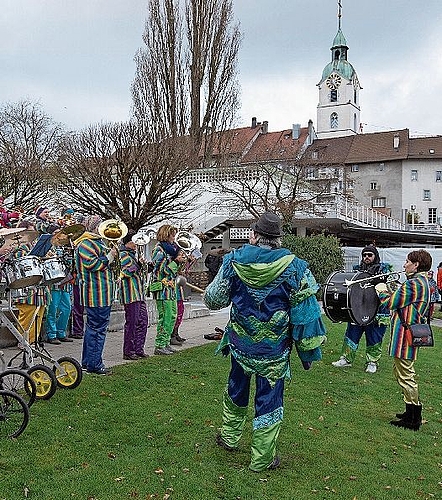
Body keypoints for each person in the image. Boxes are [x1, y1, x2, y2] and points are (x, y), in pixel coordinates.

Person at [203, 211, 326, 472]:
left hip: (240, 345)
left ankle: (229, 437)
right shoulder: (297, 267)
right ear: (278, 238)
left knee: (236, 390)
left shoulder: (233, 261)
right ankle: (261, 459)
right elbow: (306, 314)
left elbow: (213, 300)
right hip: (274, 352)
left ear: (255, 235)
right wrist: (308, 353)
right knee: (269, 398)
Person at [375, 249, 432, 431]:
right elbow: (403, 301)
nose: (404, 265)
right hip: (408, 333)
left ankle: (414, 418)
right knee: (402, 372)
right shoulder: (422, 282)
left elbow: (391, 303)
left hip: (404, 336)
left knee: (406, 375)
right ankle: (410, 411)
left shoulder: (414, 284)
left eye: (408, 261)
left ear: (416, 265)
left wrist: (381, 290)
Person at [332, 245, 392, 373]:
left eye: (369, 255)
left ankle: (372, 362)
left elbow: (391, 289)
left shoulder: (384, 269)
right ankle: (346, 359)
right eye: (364, 255)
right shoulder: (357, 270)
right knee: (351, 334)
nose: (366, 257)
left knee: (374, 337)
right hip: (358, 308)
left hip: (377, 311)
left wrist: (382, 281)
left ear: (375, 256)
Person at [74, 215, 117, 375]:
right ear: (94, 227)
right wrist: (110, 256)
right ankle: (94, 365)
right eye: (100, 225)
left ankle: (88, 362)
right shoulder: (85, 243)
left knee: (93, 329)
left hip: (102, 292)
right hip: (96, 293)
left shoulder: (96, 242)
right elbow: (92, 264)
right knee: (97, 330)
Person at [150, 224, 179, 355]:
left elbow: (174, 271)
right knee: (165, 317)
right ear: (166, 235)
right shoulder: (159, 250)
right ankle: (160, 344)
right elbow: (162, 270)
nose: (174, 238)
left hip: (170, 288)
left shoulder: (171, 250)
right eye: (172, 235)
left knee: (172, 315)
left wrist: (183, 262)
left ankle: (166, 342)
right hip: (162, 288)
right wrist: (176, 262)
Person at [119, 231, 149, 360]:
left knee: (143, 321)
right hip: (130, 293)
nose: (136, 244)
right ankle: (128, 351)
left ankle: (138, 348)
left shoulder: (133, 255)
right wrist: (138, 264)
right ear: (128, 242)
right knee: (132, 322)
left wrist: (145, 266)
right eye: (133, 242)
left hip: (139, 293)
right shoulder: (123, 255)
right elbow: (125, 272)